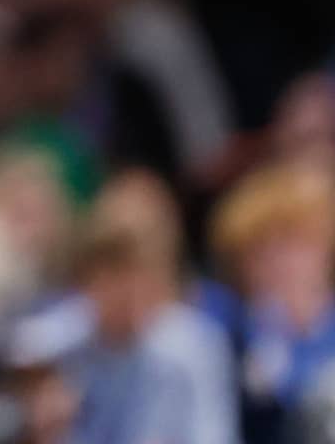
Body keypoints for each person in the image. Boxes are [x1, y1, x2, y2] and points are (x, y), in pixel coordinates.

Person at [195, 162, 335, 444]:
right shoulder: (221, 329)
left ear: (330, 248)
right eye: (260, 249)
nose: (280, 262)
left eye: (296, 242)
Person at [63, 173, 235, 444]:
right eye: (115, 272)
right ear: (88, 275)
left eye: (142, 273)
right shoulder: (54, 343)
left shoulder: (193, 347)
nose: (129, 291)